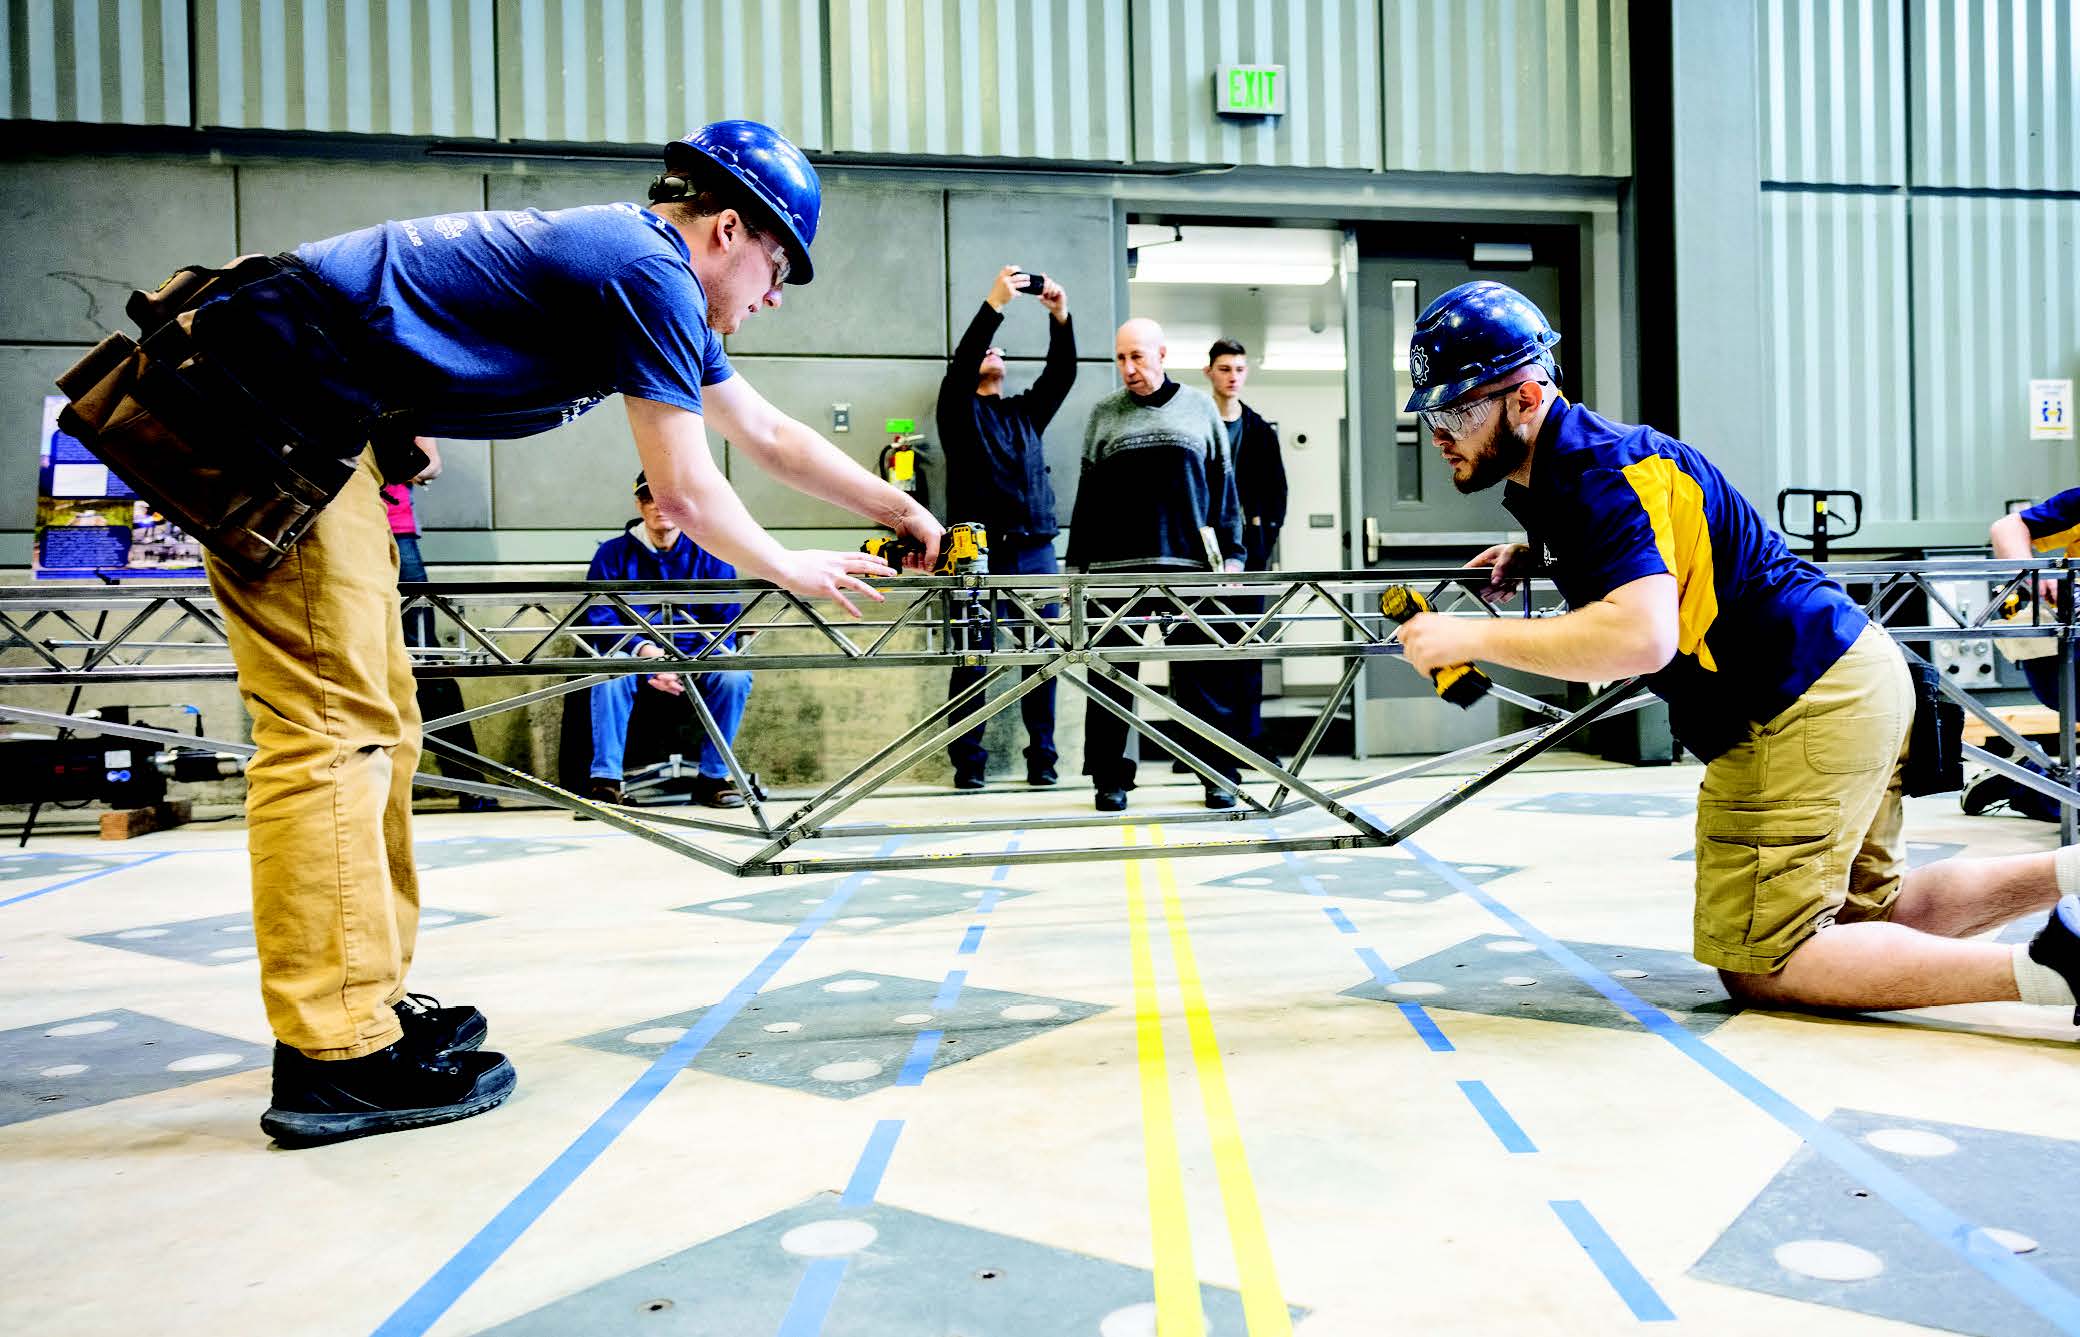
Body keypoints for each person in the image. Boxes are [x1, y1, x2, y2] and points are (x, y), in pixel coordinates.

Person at [71, 120, 941, 1147]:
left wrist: (895, 510)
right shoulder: (645, 268)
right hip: (274, 403)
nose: (774, 294)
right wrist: (790, 566)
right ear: (727, 227)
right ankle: (335, 1053)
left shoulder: (643, 270)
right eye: (778, 266)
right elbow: (687, 488)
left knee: (381, 720)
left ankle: (365, 1008)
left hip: (310, 406)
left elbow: (770, 435)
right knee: (333, 726)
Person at [1390, 280, 2080, 1026]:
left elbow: (1639, 636)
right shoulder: (1564, 474)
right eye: (1434, 410)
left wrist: (1467, 635)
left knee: (1766, 959)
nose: (1440, 430)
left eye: (1459, 409)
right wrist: (1540, 556)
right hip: (1846, 674)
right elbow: (1649, 559)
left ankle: (2060, 974)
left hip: (1799, 698)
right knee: (1860, 922)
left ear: (1526, 398)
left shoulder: (1600, 474)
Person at [1065, 318, 1245, 812]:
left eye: (1138, 357)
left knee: (1202, 677)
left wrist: (1233, 555)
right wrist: (1074, 571)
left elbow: (1223, 488)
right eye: (1121, 358)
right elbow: (1087, 500)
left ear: (1161, 354)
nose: (1129, 368)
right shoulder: (1104, 415)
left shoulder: (1199, 409)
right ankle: (1110, 778)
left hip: (1188, 564)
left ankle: (1217, 773)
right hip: (1111, 569)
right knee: (1109, 675)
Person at [936, 264, 1077, 789]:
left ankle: (1043, 758)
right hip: (978, 555)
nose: (994, 355)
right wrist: (994, 305)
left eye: (1000, 352)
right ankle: (967, 765)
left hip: (1037, 550)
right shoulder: (957, 409)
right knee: (973, 659)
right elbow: (965, 358)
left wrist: (1060, 317)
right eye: (986, 354)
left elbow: (1062, 375)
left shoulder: (1025, 413)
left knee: (1040, 661)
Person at [582, 471, 754, 809]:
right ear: (639, 504)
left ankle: (713, 778)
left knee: (734, 676)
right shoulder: (612, 554)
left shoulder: (711, 551)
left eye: (668, 497)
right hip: (635, 654)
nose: (659, 505)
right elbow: (600, 618)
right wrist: (648, 655)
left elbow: (725, 617)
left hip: (699, 654)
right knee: (609, 674)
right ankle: (606, 782)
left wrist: (684, 662)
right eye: (649, 497)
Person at [381, 440, 495, 813]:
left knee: (430, 665)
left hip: (394, 529)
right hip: (336, 530)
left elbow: (429, 464)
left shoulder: (398, 393)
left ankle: (466, 781)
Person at [1968, 493, 2080, 820]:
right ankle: (2029, 782)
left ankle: (2028, 778)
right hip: (2068, 656)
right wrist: (2031, 574)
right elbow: (2009, 527)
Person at [1204, 338, 1287, 754]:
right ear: (1209, 373)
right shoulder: (1196, 423)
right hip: (1201, 556)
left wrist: (1258, 550)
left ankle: (1247, 740)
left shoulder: (1258, 431)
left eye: (1238, 368)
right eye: (1224, 369)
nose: (1232, 376)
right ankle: (1202, 743)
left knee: (1247, 647)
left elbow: (1278, 496)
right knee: (1203, 651)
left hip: (1249, 558)